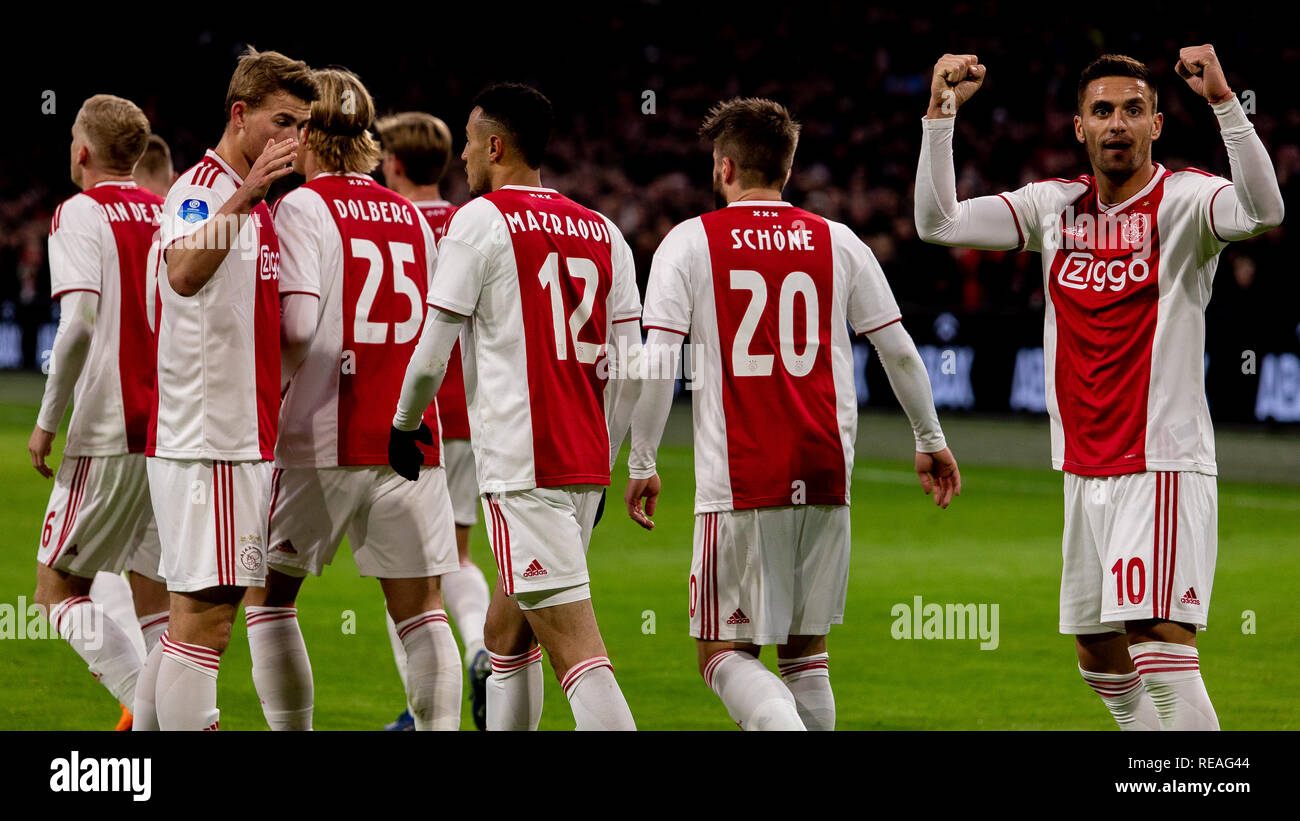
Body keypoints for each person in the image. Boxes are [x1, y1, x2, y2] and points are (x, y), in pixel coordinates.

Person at [914, 47, 1284, 730]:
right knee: (1100, 656)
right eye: (1103, 110)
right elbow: (939, 223)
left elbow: (1264, 208)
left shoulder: (1187, 200)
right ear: (1080, 128)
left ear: (1156, 126)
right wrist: (941, 115)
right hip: (1084, 468)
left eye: (1133, 110)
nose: (1119, 122)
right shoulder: (1054, 208)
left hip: (1160, 463)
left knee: (1158, 646)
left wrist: (1226, 103)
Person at [625, 97, 960, 730]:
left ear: (724, 168)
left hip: (741, 478)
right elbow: (899, 350)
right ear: (787, 166)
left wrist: (642, 459)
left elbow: (657, 359)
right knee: (806, 655)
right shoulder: (838, 240)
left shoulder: (689, 241)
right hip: (827, 469)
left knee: (720, 653)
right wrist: (930, 437)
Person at [390, 83, 643, 730]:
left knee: (579, 654)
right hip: (582, 466)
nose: (465, 158)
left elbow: (431, 349)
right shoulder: (605, 230)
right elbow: (633, 369)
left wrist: (404, 425)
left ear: (496, 145)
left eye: (471, 143)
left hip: (524, 470)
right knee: (507, 637)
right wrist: (608, 458)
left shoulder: (481, 220)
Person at [243, 69, 461, 731]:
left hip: (320, 432)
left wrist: (261, 385)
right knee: (421, 609)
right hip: (409, 437)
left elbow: (302, 325)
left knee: (269, 601)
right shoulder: (410, 216)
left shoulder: (302, 206)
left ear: (306, 132)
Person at [134, 47, 316, 731]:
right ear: (240, 117)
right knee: (205, 624)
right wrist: (245, 196)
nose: (291, 139)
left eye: (300, 126)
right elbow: (181, 271)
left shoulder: (259, 206)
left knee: (193, 621)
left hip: (235, 441)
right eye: (281, 121)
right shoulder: (200, 191)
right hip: (210, 442)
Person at [30, 94, 170, 728]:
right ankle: (180, 708)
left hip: (111, 425)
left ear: (81, 152)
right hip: (171, 428)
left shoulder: (79, 213)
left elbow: (79, 323)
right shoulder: (169, 212)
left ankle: (166, 714)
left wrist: (47, 421)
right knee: (155, 592)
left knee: (56, 588)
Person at [375, 110, 492, 730]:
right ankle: (477, 649)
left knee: (408, 582)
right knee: (459, 557)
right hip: (472, 414)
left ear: (392, 163)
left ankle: (425, 716)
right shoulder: (473, 224)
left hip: (411, 420)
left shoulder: (387, 224)